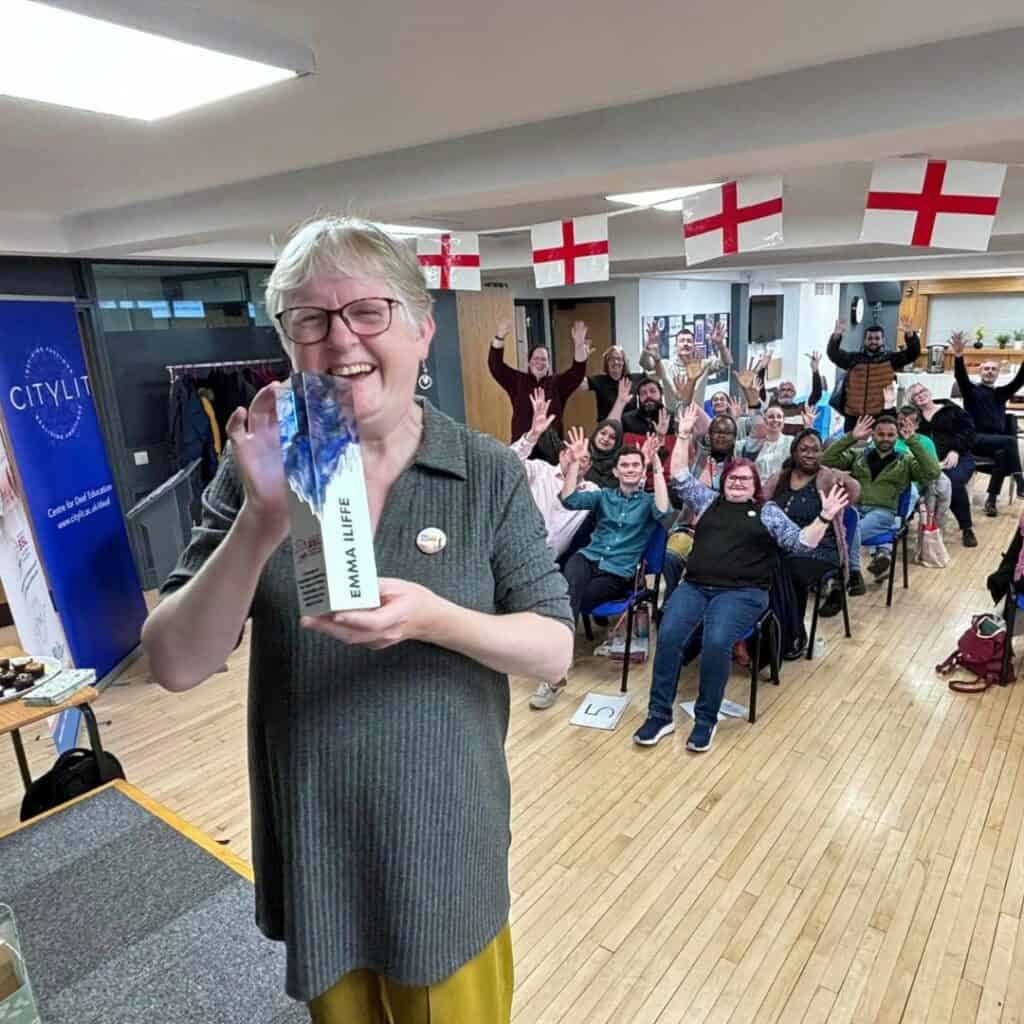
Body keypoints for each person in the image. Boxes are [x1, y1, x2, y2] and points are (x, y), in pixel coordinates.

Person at [141, 217, 574, 1022]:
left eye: (367, 311)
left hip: (444, 849)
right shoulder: (259, 473)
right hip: (319, 850)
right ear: (289, 340)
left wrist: (438, 618)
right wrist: (259, 522)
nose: (341, 341)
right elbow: (173, 663)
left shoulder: (484, 471)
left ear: (420, 327)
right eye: (310, 319)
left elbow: (553, 648)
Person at [633, 402, 848, 752]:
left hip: (743, 592)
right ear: (725, 481)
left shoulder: (768, 512)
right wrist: (684, 435)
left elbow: (800, 544)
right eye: (733, 477)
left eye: (744, 479)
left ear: (755, 485)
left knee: (717, 641)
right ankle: (660, 715)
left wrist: (823, 519)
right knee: (669, 634)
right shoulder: (708, 501)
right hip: (697, 585)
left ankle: (706, 719)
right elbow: (681, 475)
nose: (737, 482)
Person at [559, 430, 670, 633]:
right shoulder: (603, 495)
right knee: (567, 592)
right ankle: (558, 648)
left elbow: (663, 511)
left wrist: (655, 466)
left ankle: (557, 644)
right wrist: (574, 463)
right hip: (587, 558)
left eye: (635, 465)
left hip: (618, 572)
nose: (630, 469)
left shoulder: (648, 503)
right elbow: (568, 500)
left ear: (642, 470)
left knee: (578, 597)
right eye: (624, 465)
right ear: (616, 472)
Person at [821, 414, 942, 580]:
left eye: (891, 435)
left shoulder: (905, 461)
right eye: (881, 434)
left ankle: (836, 577)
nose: (885, 438)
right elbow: (827, 459)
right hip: (855, 508)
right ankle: (848, 574)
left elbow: (933, 472)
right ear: (873, 435)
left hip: (883, 513)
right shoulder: (859, 455)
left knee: (843, 535)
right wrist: (852, 437)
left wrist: (912, 440)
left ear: (897, 436)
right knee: (835, 530)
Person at [763, 428, 862, 624]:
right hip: (782, 545)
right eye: (804, 449)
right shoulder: (779, 478)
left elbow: (855, 492)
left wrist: (844, 481)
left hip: (821, 548)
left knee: (787, 571)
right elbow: (761, 506)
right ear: (794, 452)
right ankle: (764, 630)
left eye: (815, 450)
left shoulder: (827, 477)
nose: (810, 454)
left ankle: (793, 632)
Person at [488, 317, 590, 462]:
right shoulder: (517, 381)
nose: (539, 362)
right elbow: (496, 366)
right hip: (523, 449)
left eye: (544, 359)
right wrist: (499, 337)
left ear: (549, 364)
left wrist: (579, 344)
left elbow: (577, 372)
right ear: (529, 362)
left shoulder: (557, 384)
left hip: (551, 452)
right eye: (536, 359)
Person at [950, 330, 1024, 514]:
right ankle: (1021, 482)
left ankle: (991, 500)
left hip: (993, 442)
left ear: (998, 373)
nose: (989, 372)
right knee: (1010, 441)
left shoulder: (1001, 393)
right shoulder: (971, 391)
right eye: (986, 368)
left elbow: (1019, 380)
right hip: (974, 439)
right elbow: (960, 377)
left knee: (1001, 453)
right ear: (980, 371)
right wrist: (959, 356)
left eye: (993, 369)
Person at [907, 382, 978, 547]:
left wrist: (956, 450)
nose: (920, 395)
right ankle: (912, 523)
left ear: (929, 392)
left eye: (922, 391)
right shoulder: (914, 418)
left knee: (951, 481)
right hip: (929, 461)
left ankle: (966, 528)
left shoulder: (951, 409)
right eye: (915, 395)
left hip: (959, 457)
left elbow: (969, 432)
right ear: (913, 401)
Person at [827, 317, 922, 430]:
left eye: (877, 338)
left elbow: (913, 353)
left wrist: (910, 335)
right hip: (853, 417)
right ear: (865, 340)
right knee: (851, 447)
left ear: (883, 340)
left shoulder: (890, 359)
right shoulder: (853, 359)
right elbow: (833, 354)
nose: (873, 341)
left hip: (879, 416)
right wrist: (836, 336)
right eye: (870, 338)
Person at [896, 404, 951, 526]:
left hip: (918, 482)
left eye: (909, 424)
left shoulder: (925, 441)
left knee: (940, 482)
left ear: (916, 425)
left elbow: (933, 467)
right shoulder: (889, 437)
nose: (904, 428)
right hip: (894, 479)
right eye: (900, 424)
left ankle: (932, 526)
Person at [743, 402, 815, 481]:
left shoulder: (791, 441)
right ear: (764, 420)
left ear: (783, 421)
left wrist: (808, 427)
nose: (775, 420)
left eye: (779, 417)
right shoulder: (755, 443)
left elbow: (808, 453)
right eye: (771, 417)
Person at [577, 345, 644, 421]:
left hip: (630, 428)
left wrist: (655, 358)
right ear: (607, 363)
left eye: (619, 359)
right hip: (607, 428)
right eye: (611, 359)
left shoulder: (633, 379)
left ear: (624, 362)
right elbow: (577, 384)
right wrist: (581, 361)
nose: (615, 362)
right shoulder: (599, 381)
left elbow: (657, 376)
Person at [766, 351, 825, 435]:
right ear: (778, 393)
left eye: (789, 390)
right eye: (783, 390)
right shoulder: (771, 406)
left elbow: (816, 394)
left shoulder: (802, 409)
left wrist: (815, 370)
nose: (786, 392)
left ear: (794, 394)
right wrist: (763, 368)